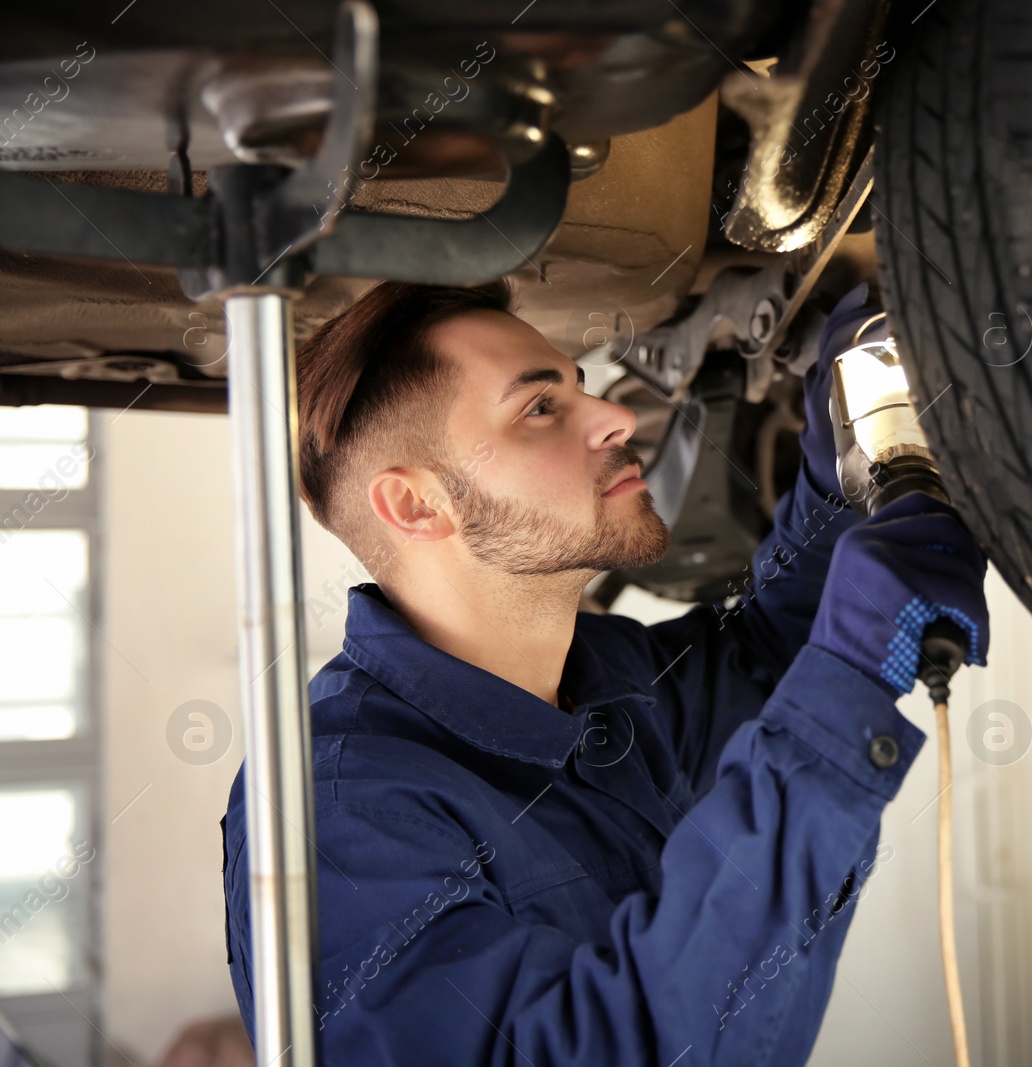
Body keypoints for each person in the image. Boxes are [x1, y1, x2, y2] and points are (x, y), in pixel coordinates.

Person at [219, 278, 990, 1065]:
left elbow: (766, 659)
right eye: (539, 407)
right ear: (416, 506)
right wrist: (853, 675)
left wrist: (843, 461)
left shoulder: (607, 683)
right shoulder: (339, 807)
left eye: (579, 385)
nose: (618, 415)